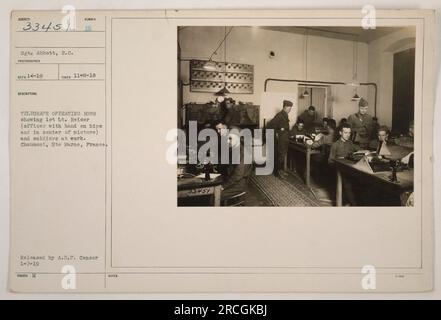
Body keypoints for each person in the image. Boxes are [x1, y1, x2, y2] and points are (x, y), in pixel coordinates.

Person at [215, 121, 253, 202]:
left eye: (230, 139)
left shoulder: (243, 153)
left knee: (213, 195)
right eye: (228, 138)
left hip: (238, 184)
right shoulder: (234, 149)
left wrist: (224, 186)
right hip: (231, 179)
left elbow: (238, 175)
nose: (228, 141)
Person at [328, 123, 360, 206]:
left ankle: (352, 201)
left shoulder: (350, 143)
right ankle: (354, 204)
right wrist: (339, 162)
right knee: (347, 183)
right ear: (340, 133)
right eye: (345, 133)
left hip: (350, 169)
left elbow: (358, 150)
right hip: (338, 170)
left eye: (349, 133)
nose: (348, 135)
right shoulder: (335, 145)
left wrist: (364, 152)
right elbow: (330, 161)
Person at [266, 100, 293, 177]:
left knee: (282, 155)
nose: (290, 110)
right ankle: (277, 172)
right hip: (281, 138)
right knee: (280, 155)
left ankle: (280, 170)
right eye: (289, 108)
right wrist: (277, 133)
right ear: (285, 107)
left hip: (284, 138)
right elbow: (270, 126)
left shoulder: (284, 115)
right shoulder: (280, 115)